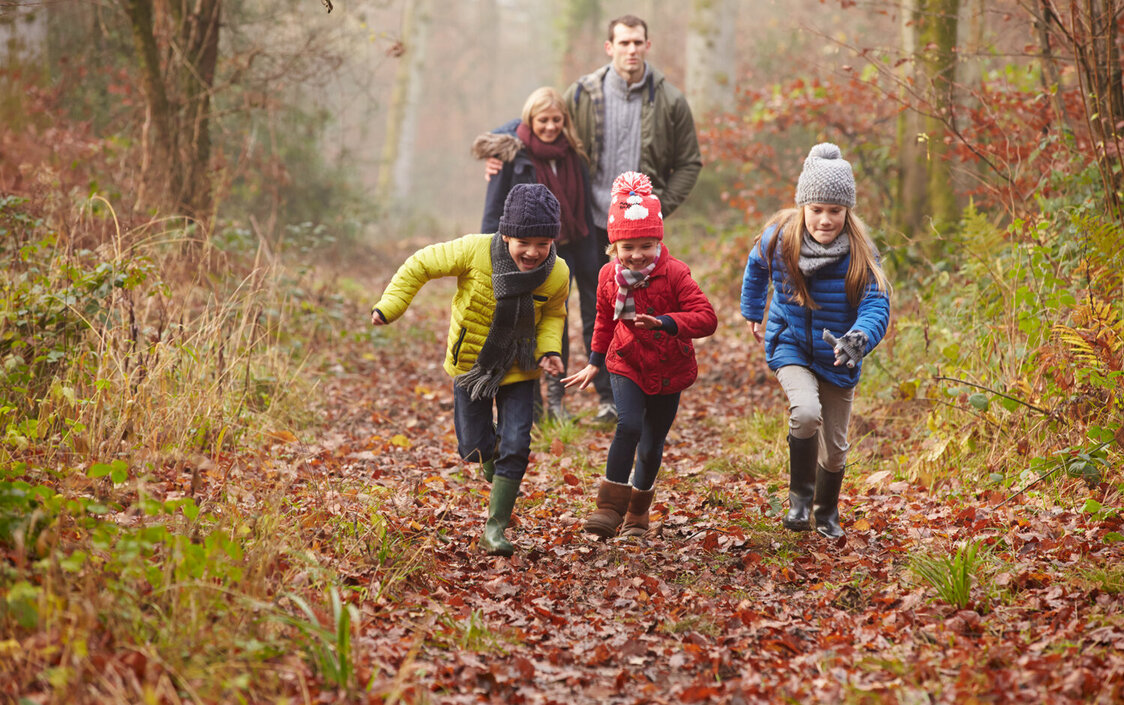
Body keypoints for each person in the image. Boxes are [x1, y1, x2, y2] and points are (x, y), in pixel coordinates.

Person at [488, 14, 703, 425]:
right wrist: (498, 148)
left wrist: (657, 208)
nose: (631, 50)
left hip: (636, 230)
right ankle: (553, 396)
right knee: (561, 305)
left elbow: (689, 161)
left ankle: (615, 397)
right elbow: (538, 119)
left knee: (617, 309)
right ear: (610, 47)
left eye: (638, 42)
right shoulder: (583, 93)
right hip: (583, 222)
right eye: (623, 43)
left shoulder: (669, 100)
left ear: (647, 45)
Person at [370, 183, 570, 556]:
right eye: (524, 241)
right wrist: (390, 306)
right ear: (506, 233)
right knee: (474, 448)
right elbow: (421, 264)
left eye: (543, 243)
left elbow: (553, 316)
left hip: (521, 368)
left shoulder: (557, 273)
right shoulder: (473, 250)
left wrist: (548, 350)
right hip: (472, 366)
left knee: (517, 445)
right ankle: (493, 463)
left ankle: (494, 529)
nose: (533, 252)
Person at [739, 143, 891, 539]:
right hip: (789, 343)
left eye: (835, 211)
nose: (825, 220)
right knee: (806, 413)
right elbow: (755, 267)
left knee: (837, 448)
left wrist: (859, 339)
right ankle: (800, 502)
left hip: (839, 355)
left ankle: (826, 511)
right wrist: (753, 311)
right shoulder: (779, 239)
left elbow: (877, 304)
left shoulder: (860, 251)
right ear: (803, 206)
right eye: (817, 210)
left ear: (847, 212)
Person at [563, 172, 717, 539]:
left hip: (669, 368)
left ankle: (637, 513)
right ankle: (609, 508)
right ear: (614, 248)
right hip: (626, 360)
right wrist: (594, 362)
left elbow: (706, 318)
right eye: (627, 247)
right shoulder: (607, 277)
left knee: (650, 446)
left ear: (658, 242)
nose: (636, 255)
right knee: (628, 425)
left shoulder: (676, 274)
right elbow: (602, 319)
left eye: (646, 245)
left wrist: (666, 322)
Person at [472, 87, 599, 423]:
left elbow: (581, 208)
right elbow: (492, 211)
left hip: (566, 251)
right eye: (543, 120)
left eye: (557, 120)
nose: (550, 127)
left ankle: (557, 400)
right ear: (530, 119)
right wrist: (491, 256)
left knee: (558, 322)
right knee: (525, 324)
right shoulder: (512, 155)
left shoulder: (573, 154)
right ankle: (532, 406)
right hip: (522, 254)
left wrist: (590, 257)